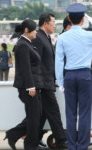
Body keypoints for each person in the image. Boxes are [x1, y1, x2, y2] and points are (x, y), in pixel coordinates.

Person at [55, 3, 92, 150]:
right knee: (85, 113)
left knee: (70, 113)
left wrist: (60, 81)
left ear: (69, 18)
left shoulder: (62, 38)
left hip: (69, 75)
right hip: (84, 75)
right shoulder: (89, 35)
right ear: (83, 19)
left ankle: (71, 145)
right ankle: (82, 146)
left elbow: (59, 61)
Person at [5, 19, 43, 150]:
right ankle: (31, 146)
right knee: (33, 118)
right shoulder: (22, 45)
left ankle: (13, 134)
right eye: (34, 30)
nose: (36, 32)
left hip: (33, 85)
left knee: (36, 115)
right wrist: (31, 86)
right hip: (28, 87)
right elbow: (25, 68)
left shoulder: (27, 43)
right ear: (27, 30)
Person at [32, 13, 67, 149]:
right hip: (44, 84)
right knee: (53, 111)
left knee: (45, 114)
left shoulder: (46, 37)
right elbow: (37, 63)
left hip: (48, 82)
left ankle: (32, 138)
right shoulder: (38, 38)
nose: (54, 25)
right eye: (53, 22)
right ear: (45, 24)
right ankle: (62, 140)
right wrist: (39, 84)